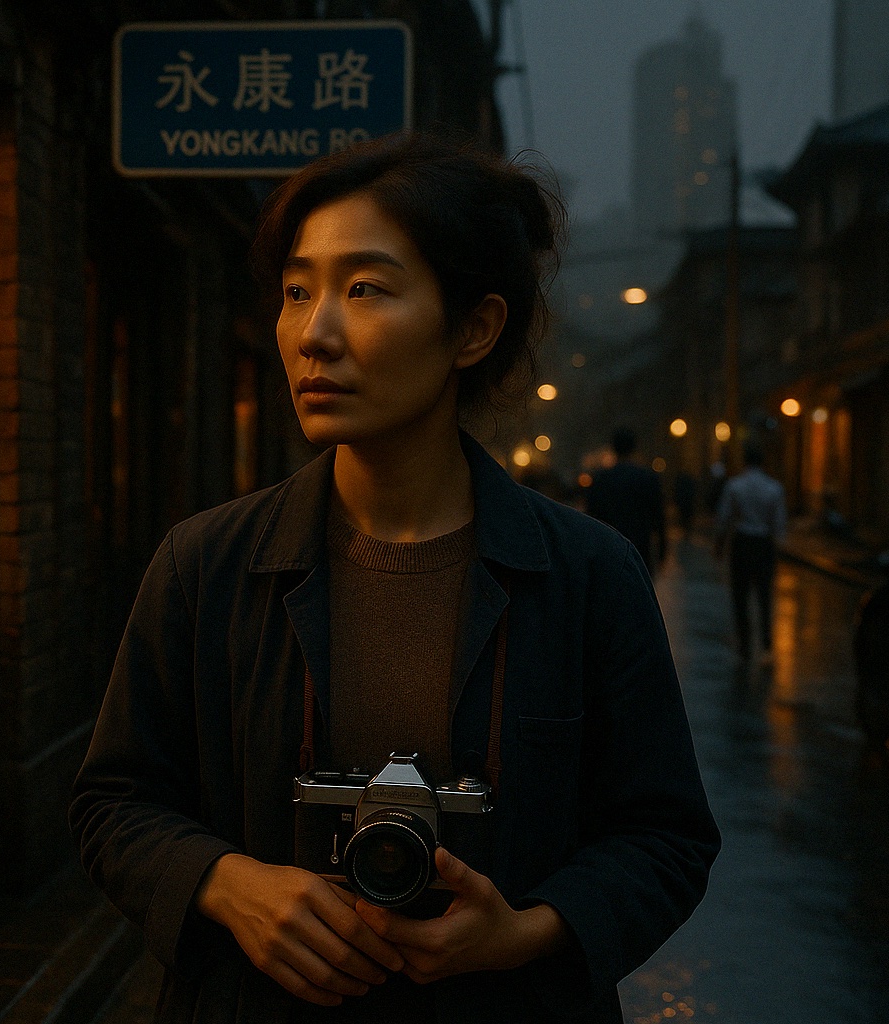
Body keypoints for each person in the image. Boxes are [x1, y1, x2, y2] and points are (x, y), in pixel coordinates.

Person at [70, 133, 719, 1024]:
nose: (313, 333)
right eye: (298, 292)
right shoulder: (205, 563)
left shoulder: (587, 575)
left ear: (473, 329)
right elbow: (115, 801)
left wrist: (529, 931)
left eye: (364, 290)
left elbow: (665, 835)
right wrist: (225, 883)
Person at [714, 439, 788, 663]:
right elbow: (779, 521)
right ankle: (766, 645)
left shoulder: (735, 486)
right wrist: (777, 544)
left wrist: (719, 545)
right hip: (763, 543)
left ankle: (745, 645)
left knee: (740, 595)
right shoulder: (774, 487)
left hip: (742, 542)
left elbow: (724, 517)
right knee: (765, 595)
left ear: (745, 461)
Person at [583, 428, 667, 571]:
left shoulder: (601, 479)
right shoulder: (647, 478)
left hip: (609, 546)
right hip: (639, 546)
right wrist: (662, 550)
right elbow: (658, 515)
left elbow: (592, 516)